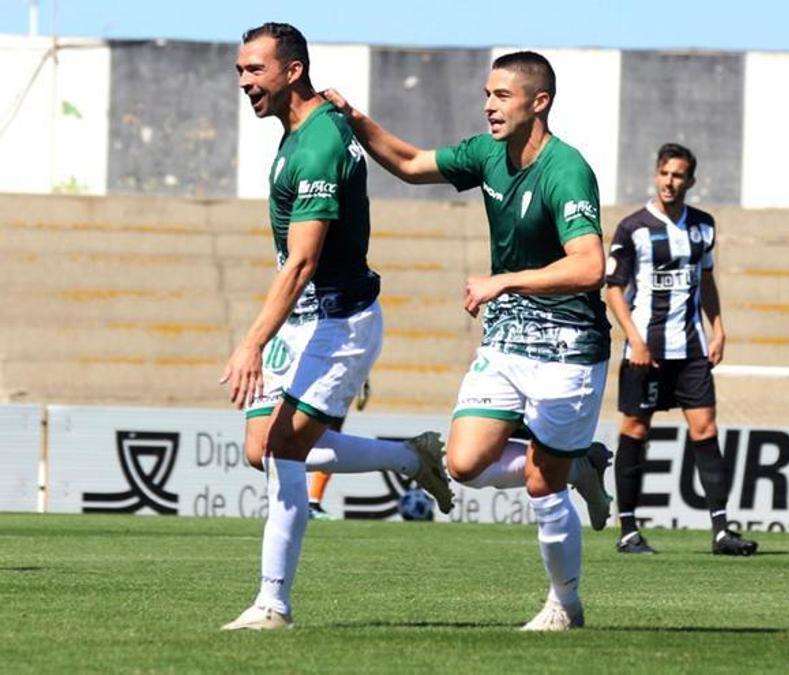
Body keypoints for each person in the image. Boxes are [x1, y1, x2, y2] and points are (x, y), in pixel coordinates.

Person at [323, 50, 612, 631]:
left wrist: (503, 280)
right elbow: (407, 162)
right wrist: (356, 119)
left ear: (540, 102)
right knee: (464, 462)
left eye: (502, 96)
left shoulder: (567, 170)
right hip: (509, 337)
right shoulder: (486, 154)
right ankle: (578, 465)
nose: (488, 105)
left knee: (539, 484)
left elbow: (589, 265)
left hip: (569, 344)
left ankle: (565, 605)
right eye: (487, 94)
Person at [220, 23, 454, 631]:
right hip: (302, 318)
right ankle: (410, 456)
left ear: (292, 70)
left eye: (255, 70)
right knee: (259, 448)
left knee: (282, 449)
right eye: (241, 70)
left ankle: (273, 603)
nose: (244, 82)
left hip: (337, 320)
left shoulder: (320, 142)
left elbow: (302, 261)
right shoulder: (304, 130)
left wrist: (251, 341)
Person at [604, 143, 757, 557]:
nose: (670, 182)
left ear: (690, 180)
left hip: (690, 348)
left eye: (678, 176)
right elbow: (614, 289)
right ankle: (629, 531)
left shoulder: (703, 227)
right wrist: (634, 338)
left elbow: (705, 280)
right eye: (664, 174)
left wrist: (719, 327)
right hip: (646, 350)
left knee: (705, 430)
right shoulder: (633, 227)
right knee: (636, 430)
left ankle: (722, 531)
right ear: (656, 175)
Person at [307, 379, 371, 521]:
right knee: (325, 441)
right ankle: (310, 503)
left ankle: (312, 502)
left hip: (331, 385)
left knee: (328, 442)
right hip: (328, 384)